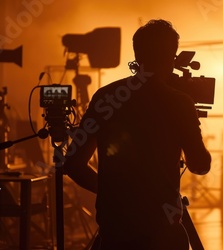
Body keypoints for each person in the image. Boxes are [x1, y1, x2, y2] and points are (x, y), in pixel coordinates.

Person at [63, 19, 211, 250]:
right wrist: (190, 126)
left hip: (115, 232)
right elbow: (201, 165)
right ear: (171, 56)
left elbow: (73, 163)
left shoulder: (106, 97)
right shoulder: (179, 103)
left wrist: (113, 190)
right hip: (163, 232)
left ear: (137, 53)